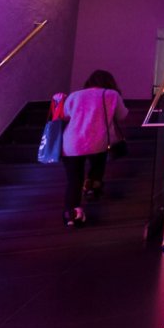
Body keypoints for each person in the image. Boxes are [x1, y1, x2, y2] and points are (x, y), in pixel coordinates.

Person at [61, 70, 128, 226]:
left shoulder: (75, 95)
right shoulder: (111, 95)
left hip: (71, 142)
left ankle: (72, 214)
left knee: (74, 179)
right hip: (97, 141)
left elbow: (66, 115)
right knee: (98, 162)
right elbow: (122, 115)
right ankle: (93, 186)